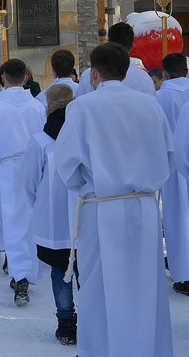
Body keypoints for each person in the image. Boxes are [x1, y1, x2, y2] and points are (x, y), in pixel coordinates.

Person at [56, 42, 174, 357]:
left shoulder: (81, 107)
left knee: (99, 286)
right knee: (144, 283)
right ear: (125, 72)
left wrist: (90, 187)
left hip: (101, 208)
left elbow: (66, 164)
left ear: (94, 73)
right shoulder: (150, 105)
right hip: (143, 208)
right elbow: (169, 156)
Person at [0, 58, 45, 306]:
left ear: (3, 78)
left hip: (7, 167)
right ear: (26, 78)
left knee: (12, 220)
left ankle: (20, 274)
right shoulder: (38, 106)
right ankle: (24, 269)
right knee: (30, 219)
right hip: (33, 165)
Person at [20, 85, 79, 346]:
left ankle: (66, 324)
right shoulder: (83, 133)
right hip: (84, 212)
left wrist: (41, 201)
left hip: (54, 215)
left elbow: (30, 179)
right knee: (86, 268)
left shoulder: (41, 139)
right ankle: (93, 319)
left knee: (59, 268)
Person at [155, 53, 189, 295]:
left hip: (172, 163)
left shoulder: (158, 97)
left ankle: (183, 272)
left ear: (164, 74)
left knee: (177, 219)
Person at [77, 22, 155, 97]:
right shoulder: (144, 78)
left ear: (108, 42)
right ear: (132, 46)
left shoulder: (88, 75)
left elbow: (80, 103)